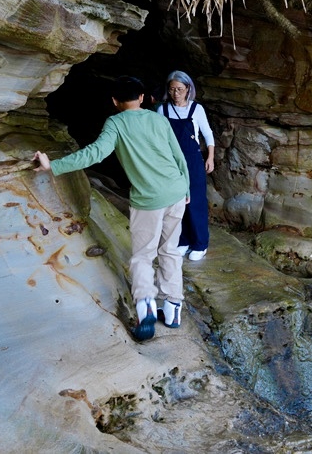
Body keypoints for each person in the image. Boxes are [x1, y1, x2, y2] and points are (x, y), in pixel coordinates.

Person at [32, 76, 190, 341]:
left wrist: (53, 166)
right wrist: (186, 189)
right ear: (142, 98)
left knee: (143, 256)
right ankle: (173, 311)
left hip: (149, 200)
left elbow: (94, 153)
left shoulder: (115, 123)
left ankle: (146, 308)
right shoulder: (158, 119)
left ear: (115, 101)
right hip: (176, 191)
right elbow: (178, 155)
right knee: (170, 250)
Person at [158, 70, 215, 262]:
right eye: (172, 89)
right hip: (171, 161)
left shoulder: (196, 109)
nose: (175, 93)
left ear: (188, 89)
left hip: (192, 160)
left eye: (180, 89)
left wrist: (210, 157)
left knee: (196, 202)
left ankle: (200, 244)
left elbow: (207, 134)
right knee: (176, 202)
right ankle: (183, 240)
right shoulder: (162, 110)